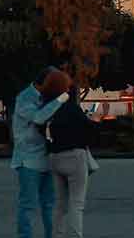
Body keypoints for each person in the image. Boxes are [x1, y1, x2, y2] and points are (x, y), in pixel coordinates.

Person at [12, 67, 71, 238]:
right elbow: (38, 117)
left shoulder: (47, 97)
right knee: (28, 205)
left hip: (47, 158)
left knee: (49, 204)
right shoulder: (24, 98)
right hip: (28, 160)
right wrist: (61, 99)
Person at [47, 85, 98, 238]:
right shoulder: (74, 110)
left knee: (60, 204)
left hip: (55, 157)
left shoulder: (52, 110)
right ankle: (75, 235)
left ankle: (57, 235)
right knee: (76, 203)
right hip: (75, 156)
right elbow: (90, 129)